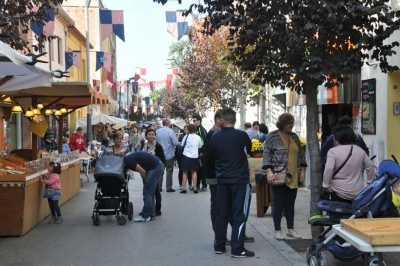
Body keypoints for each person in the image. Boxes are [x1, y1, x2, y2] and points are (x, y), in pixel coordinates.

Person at [210, 108, 254, 258]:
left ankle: (219, 245)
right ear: (234, 120)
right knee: (239, 214)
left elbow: (212, 155)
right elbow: (249, 150)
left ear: (222, 119)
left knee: (221, 213)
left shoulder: (215, 137)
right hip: (240, 180)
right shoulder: (242, 135)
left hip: (222, 180)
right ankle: (237, 248)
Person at [263, 113, 307, 240]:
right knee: (277, 203)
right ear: (282, 123)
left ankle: (290, 228)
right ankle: (277, 229)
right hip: (278, 173)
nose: (291, 125)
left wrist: (302, 171)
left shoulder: (294, 136)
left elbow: (301, 154)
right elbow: (267, 154)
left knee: (290, 203)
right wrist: (269, 171)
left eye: (292, 123)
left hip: (293, 174)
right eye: (289, 123)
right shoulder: (272, 136)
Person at [323, 125, 376, 203]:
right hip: (357, 193)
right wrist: (369, 182)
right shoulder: (360, 151)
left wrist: (326, 185)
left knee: (338, 214)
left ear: (337, 139)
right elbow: (371, 166)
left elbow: (329, 168)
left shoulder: (332, 151)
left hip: (337, 192)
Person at [123, 152, 164, 222]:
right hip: (157, 165)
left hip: (155, 167)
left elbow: (143, 172)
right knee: (150, 192)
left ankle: (146, 216)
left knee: (147, 192)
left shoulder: (127, 160)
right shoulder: (128, 159)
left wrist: (146, 183)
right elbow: (142, 170)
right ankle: (151, 214)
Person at [142, 128, 165, 218]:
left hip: (155, 171)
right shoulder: (144, 146)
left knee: (155, 191)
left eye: (153, 134)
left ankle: (157, 209)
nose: (151, 136)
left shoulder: (158, 146)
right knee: (147, 190)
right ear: (146, 135)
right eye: (149, 134)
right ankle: (149, 208)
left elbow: (162, 159)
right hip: (145, 171)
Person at [156, 118, 180, 192]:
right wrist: (182, 144)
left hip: (160, 155)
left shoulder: (157, 131)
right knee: (169, 170)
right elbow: (175, 142)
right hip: (169, 154)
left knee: (160, 171)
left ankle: (159, 186)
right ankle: (168, 187)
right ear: (168, 124)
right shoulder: (170, 131)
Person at [180, 124, 202, 194]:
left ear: (189, 129)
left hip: (186, 155)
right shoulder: (198, 137)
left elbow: (182, 144)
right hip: (195, 156)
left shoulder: (186, 136)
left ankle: (184, 188)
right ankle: (195, 188)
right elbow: (200, 146)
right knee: (194, 172)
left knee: (185, 172)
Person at [193, 115, 208, 192]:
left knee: (202, 169)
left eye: (194, 120)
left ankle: (204, 185)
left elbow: (204, 142)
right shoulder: (196, 129)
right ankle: (197, 184)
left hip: (201, 153)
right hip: (197, 153)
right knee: (197, 169)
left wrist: (202, 151)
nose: (194, 122)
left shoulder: (201, 130)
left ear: (199, 121)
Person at [176, 125, 192, 190]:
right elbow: (179, 145)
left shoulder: (191, 136)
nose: (185, 130)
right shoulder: (181, 136)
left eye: (187, 129)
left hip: (188, 154)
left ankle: (190, 184)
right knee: (181, 169)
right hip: (181, 155)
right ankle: (180, 184)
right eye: (185, 129)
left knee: (189, 170)